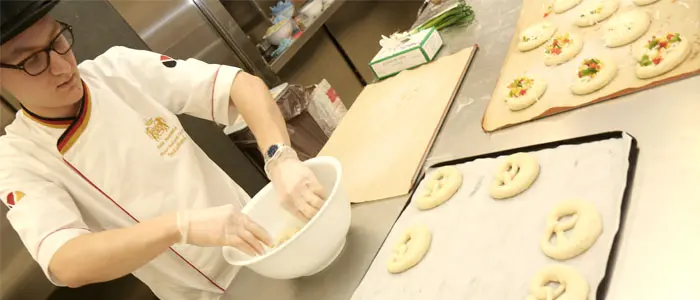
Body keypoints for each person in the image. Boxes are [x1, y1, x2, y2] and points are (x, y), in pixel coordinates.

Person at [0, 1, 326, 299]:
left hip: (269, 242)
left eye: (57, 41)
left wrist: (280, 158)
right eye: (32, 61)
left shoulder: (119, 70)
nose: (62, 66)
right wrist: (179, 226)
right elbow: (65, 262)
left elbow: (241, 87)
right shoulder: (18, 157)